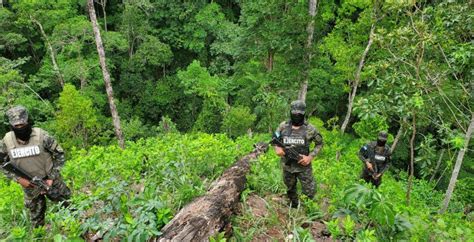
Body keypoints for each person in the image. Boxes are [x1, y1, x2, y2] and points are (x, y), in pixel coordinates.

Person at [0, 105, 71, 228]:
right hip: (29, 185)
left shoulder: (42, 136)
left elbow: (60, 155)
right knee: (36, 220)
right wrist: (18, 179)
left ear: (28, 121)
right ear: (11, 125)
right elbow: (2, 163)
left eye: (22, 124)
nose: (20, 128)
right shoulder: (6, 141)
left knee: (69, 207)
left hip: (51, 181)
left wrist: (51, 178)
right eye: (16, 126)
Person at [274, 100, 323, 208]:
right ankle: (294, 206)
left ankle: (308, 210)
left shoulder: (310, 129)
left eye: (299, 114)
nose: (296, 115)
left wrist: (310, 157)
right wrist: (277, 148)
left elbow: (319, 144)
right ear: (291, 112)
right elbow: (275, 139)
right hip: (287, 165)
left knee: (309, 191)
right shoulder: (283, 126)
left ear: (304, 113)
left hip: (304, 166)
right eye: (294, 113)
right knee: (290, 189)